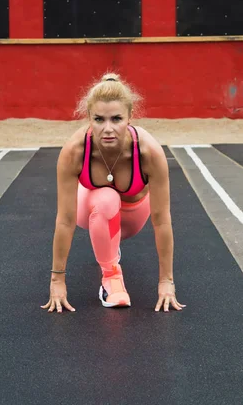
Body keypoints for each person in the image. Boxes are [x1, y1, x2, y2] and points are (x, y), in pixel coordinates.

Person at [41, 73, 186, 313]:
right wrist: (57, 281)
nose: (108, 129)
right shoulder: (75, 151)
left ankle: (109, 243)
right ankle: (111, 279)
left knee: (112, 201)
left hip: (133, 218)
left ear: (130, 117)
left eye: (116, 119)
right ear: (89, 118)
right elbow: (65, 220)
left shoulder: (148, 152)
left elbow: (161, 221)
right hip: (89, 211)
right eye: (99, 119)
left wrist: (166, 282)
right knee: (106, 198)